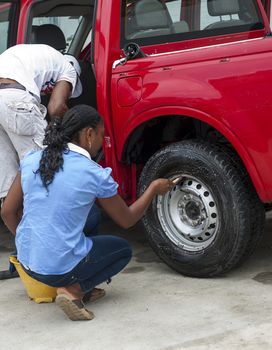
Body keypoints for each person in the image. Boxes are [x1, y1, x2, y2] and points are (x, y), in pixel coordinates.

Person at [1, 104, 175, 321]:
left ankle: (74, 279)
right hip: (58, 269)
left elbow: (7, 211)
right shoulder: (93, 173)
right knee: (122, 250)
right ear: (89, 134)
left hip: (28, 263)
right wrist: (152, 189)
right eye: (102, 135)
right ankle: (73, 289)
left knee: (91, 215)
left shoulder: (31, 160)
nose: (102, 142)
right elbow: (127, 219)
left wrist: (32, 244)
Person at [0, 43, 82, 203]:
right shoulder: (69, 69)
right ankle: (47, 218)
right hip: (15, 97)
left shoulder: (35, 55)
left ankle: (19, 224)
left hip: (6, 94)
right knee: (42, 165)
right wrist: (65, 133)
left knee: (8, 180)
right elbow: (56, 107)